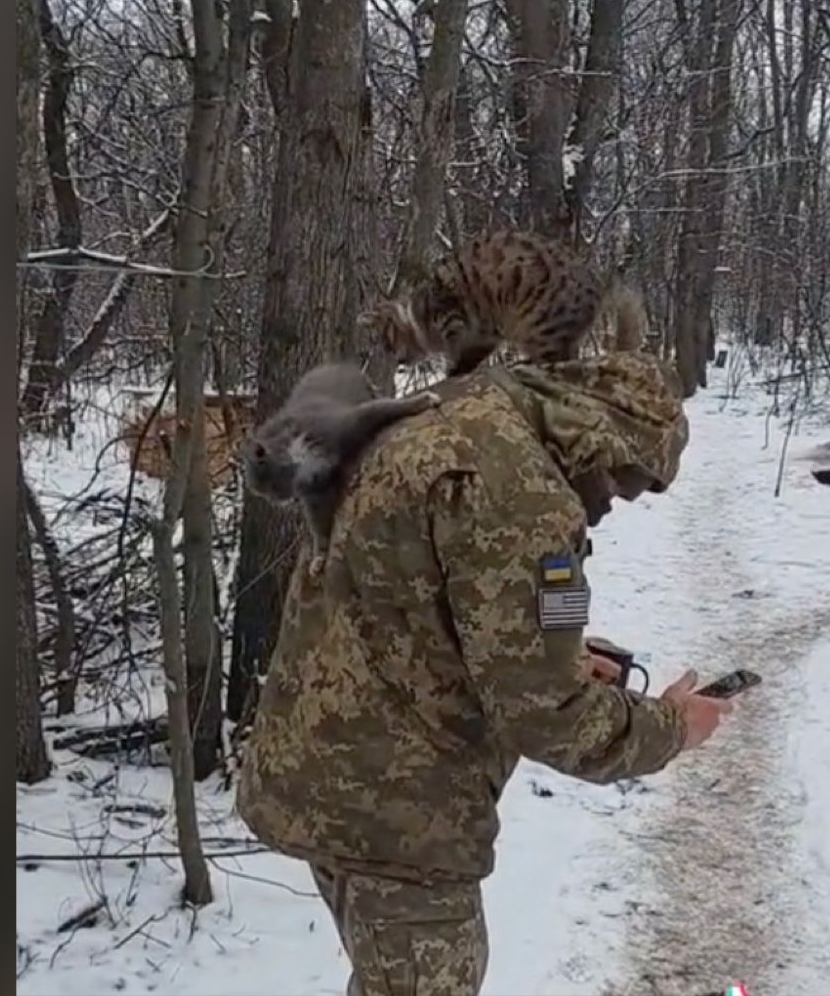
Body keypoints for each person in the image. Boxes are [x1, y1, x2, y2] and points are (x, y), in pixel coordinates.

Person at [236, 352, 737, 996]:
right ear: (602, 439)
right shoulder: (522, 492)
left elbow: (404, 600)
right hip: (399, 817)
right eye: (625, 482)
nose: (612, 506)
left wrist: (560, 653)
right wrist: (672, 727)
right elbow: (547, 714)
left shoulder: (461, 416)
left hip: (331, 778)